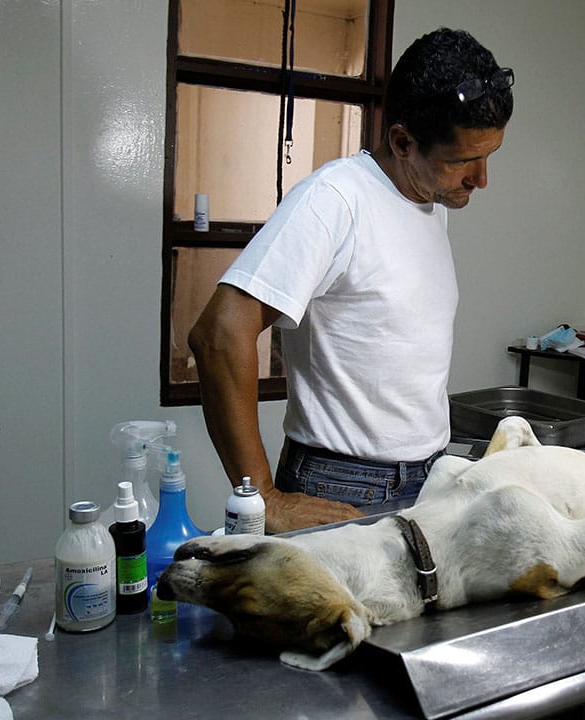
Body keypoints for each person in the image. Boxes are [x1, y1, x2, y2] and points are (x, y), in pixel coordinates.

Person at [188, 28, 514, 534]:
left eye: (488, 156)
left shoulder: (430, 204)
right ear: (402, 142)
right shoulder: (335, 200)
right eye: (462, 162)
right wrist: (263, 498)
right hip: (342, 485)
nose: (482, 179)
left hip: (426, 476)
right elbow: (218, 334)